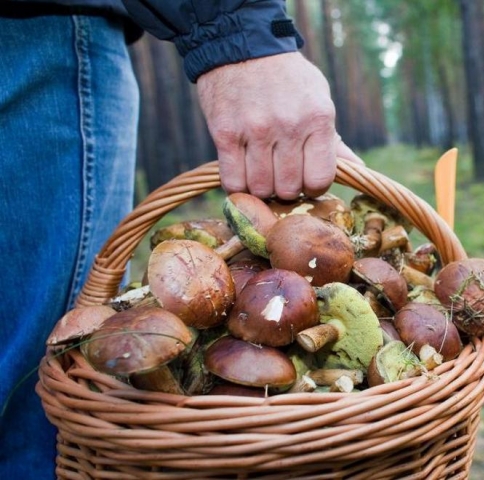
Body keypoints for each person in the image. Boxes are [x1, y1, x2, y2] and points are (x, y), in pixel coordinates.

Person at [0, 1, 362, 478]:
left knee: (33, 405)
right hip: (39, 37)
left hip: (34, 30)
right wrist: (241, 37)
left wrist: (238, 35)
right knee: (51, 397)